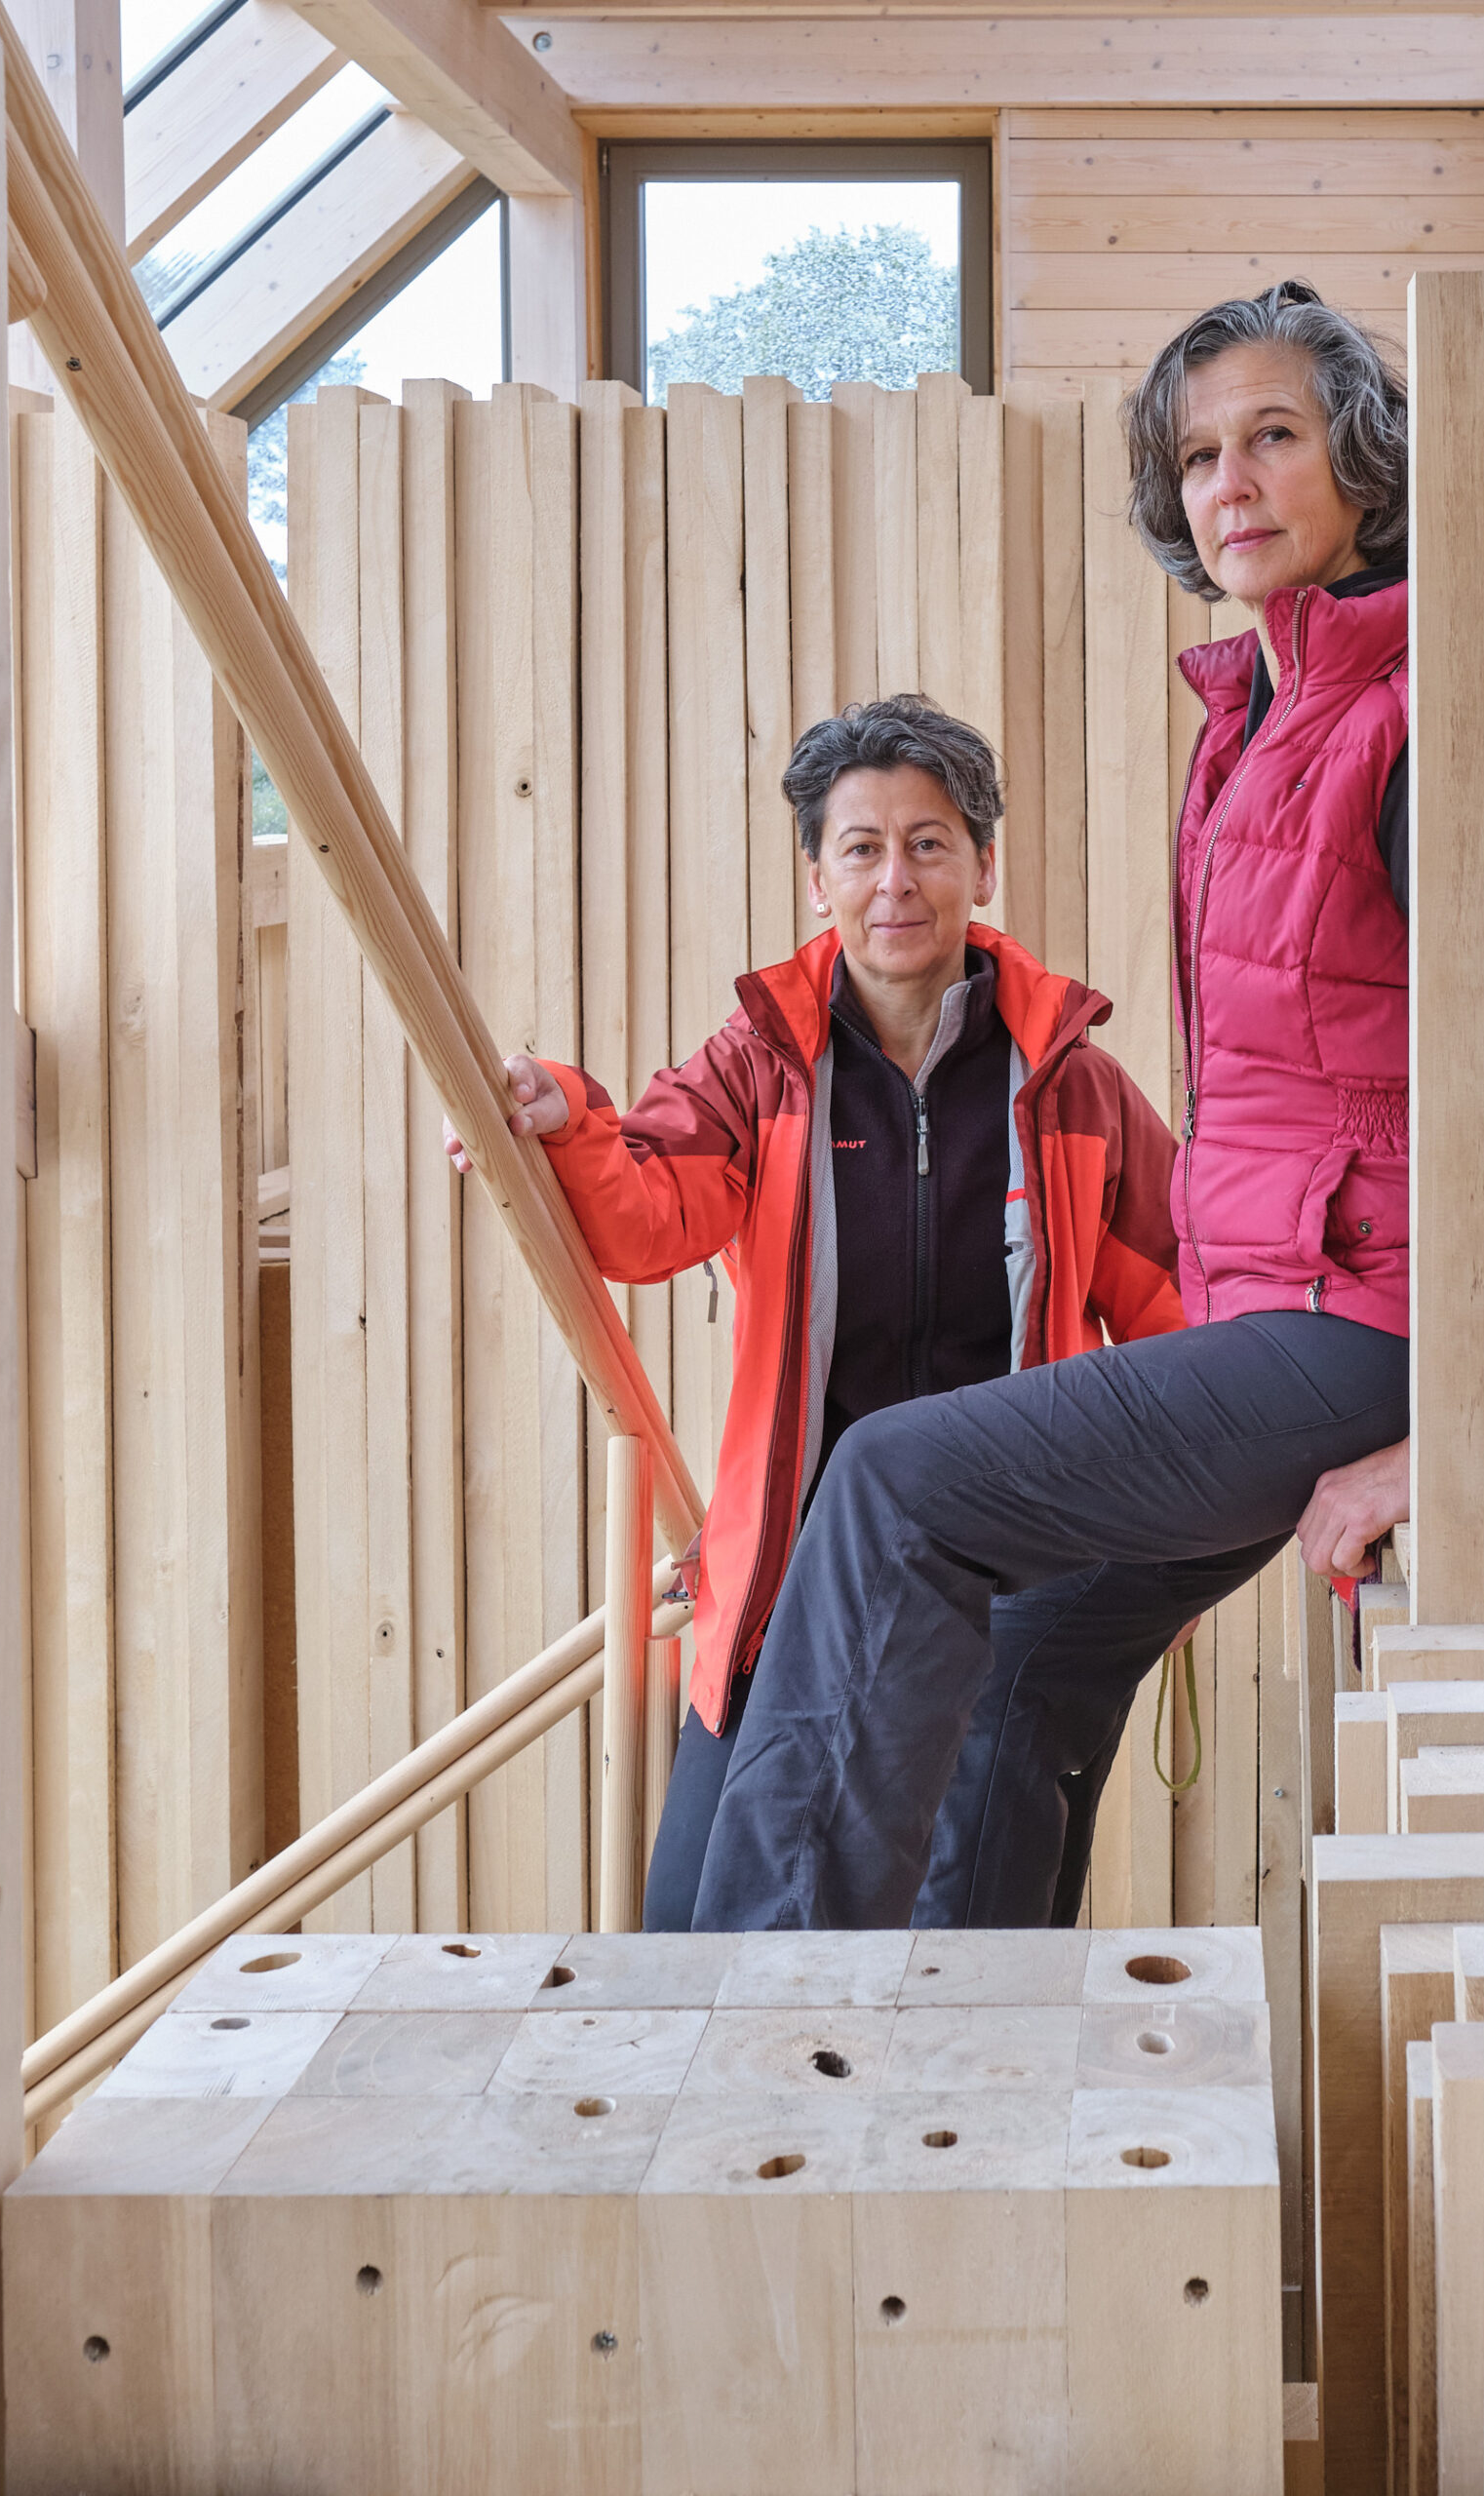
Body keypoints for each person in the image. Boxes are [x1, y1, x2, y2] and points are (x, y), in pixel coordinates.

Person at [689, 280, 1417, 1931]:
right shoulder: (1252, 719)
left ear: (1361, 466)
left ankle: (763, 1997)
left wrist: (1458, 1438)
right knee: (1034, 1633)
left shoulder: (1407, 721)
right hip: (1280, 1313)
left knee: (891, 1481)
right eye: (1197, 455)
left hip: (1367, 1324)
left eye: (1274, 438)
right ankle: (969, 2035)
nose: (1228, 483)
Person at [447, 695, 1188, 1929]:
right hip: (789, 1584)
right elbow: (643, 1212)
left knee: (972, 1960)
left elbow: (1185, 1306)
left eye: (930, 842)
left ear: (982, 864)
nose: (895, 879)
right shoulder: (759, 1064)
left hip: (1007, 1594)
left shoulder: (1073, 1087)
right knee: (702, 1937)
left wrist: (1153, 1539)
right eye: (861, 847)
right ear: (816, 878)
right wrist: (562, 1120)